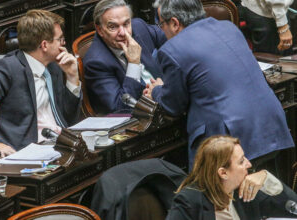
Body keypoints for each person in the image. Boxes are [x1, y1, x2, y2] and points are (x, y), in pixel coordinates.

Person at [144, 0, 294, 168]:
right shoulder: (227, 27)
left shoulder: (173, 49)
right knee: (267, 191)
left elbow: (173, 106)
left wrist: (157, 90)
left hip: (230, 142)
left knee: (221, 194)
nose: (162, 31)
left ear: (174, 23)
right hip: (270, 123)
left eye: (161, 25)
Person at [0, 10, 82, 155]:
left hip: (62, 142)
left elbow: (69, 117)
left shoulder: (54, 66)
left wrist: (73, 76)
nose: (64, 43)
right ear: (44, 45)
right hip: (30, 150)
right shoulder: (9, 68)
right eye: (60, 39)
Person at [166, 135, 297, 220]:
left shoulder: (244, 190)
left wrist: (266, 178)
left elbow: (292, 209)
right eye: (241, 161)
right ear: (223, 173)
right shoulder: (189, 201)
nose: (249, 164)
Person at [83, 0, 167, 114]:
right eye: (113, 27)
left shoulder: (139, 27)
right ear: (100, 30)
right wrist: (133, 64)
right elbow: (120, 108)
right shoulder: (95, 62)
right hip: (139, 119)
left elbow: (174, 44)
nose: (123, 33)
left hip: (165, 98)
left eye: (126, 23)